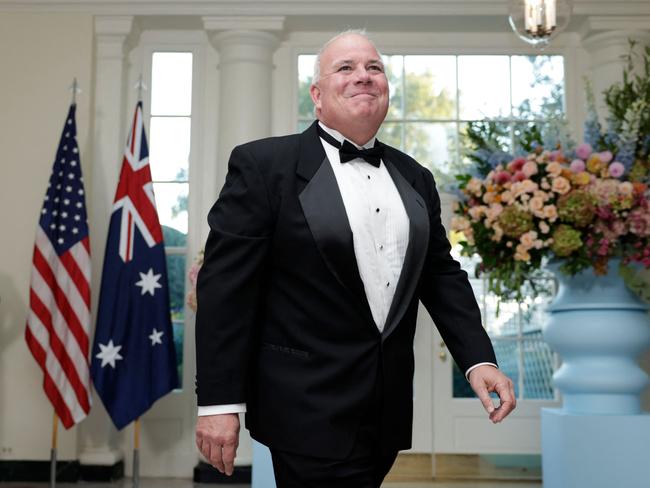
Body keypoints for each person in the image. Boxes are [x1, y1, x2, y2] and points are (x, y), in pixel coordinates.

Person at [195, 30, 516, 487]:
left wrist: (478, 359)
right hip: (304, 406)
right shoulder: (264, 166)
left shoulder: (416, 176)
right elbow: (226, 290)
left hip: (385, 408)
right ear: (317, 95)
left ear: (386, 89)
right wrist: (219, 403)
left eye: (374, 68)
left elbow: (441, 274)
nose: (362, 77)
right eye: (345, 68)